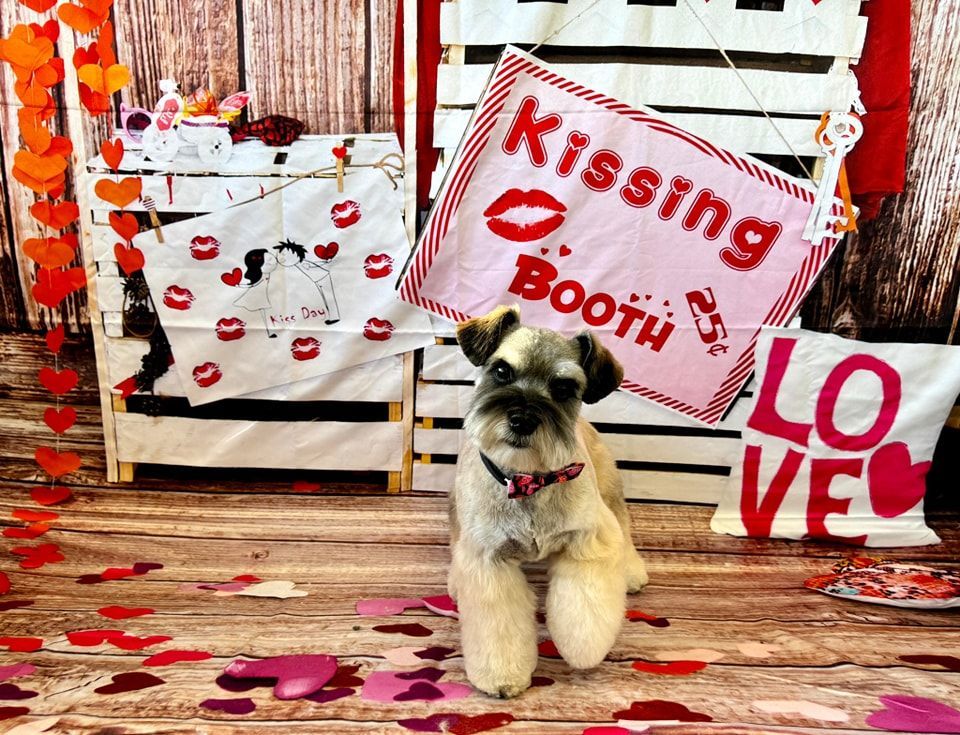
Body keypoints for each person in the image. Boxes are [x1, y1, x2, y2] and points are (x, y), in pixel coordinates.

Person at [274, 239, 340, 324]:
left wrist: (325, 262)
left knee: (329, 297)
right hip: (318, 280)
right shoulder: (299, 263)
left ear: (295, 254)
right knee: (327, 297)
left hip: (323, 278)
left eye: (283, 254)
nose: (281, 258)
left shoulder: (302, 263)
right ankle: (333, 317)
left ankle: (335, 317)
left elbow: (315, 265)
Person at [233, 248, 281, 337]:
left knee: (261, 314)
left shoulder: (266, 273)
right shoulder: (262, 275)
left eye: (272, 258)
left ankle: (267, 333)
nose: (274, 262)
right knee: (259, 314)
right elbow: (252, 285)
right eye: (269, 261)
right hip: (255, 296)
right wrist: (239, 285)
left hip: (261, 296)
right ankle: (266, 333)